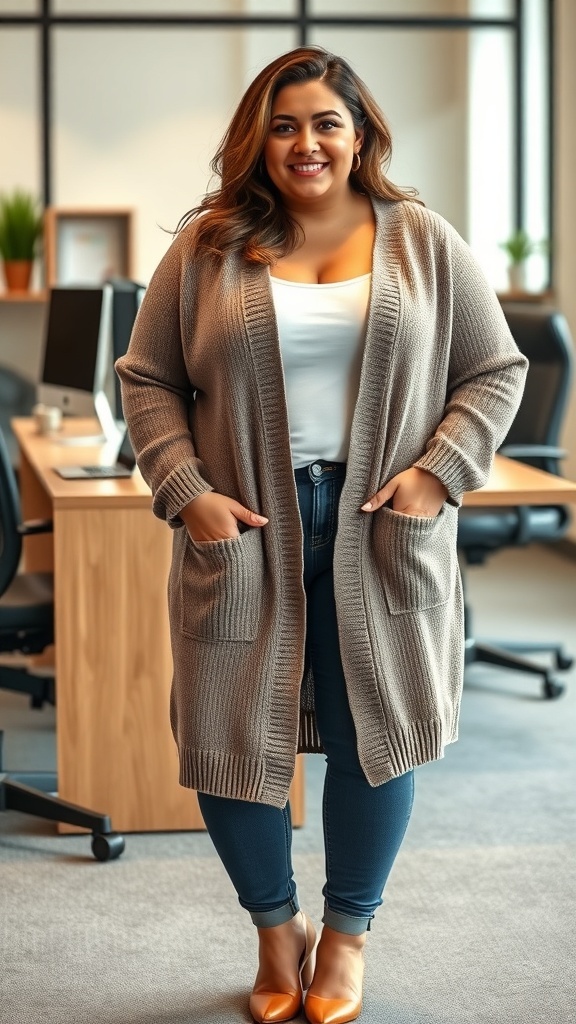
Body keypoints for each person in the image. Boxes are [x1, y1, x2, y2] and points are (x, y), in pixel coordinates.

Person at [116, 46, 528, 1024]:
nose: (307, 142)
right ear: (260, 138)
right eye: (287, 124)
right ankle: (275, 930)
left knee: (374, 734)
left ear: (361, 135)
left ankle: (346, 937)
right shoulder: (210, 244)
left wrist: (438, 473)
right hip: (245, 525)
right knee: (228, 733)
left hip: (382, 522)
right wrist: (186, 490)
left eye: (326, 123)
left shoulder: (421, 239)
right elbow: (147, 379)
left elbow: (494, 370)